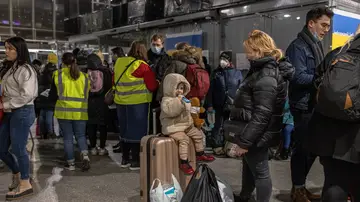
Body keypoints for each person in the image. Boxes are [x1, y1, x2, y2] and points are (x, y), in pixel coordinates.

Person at [231, 30, 294, 202]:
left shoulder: (266, 75)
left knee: (260, 172)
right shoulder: (260, 70)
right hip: (254, 130)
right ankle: (245, 196)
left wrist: (245, 141)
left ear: (258, 51)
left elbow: (262, 114)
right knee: (249, 166)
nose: (246, 54)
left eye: (249, 50)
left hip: (258, 132)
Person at [286, 7, 333, 201]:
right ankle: (297, 189)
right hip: (303, 106)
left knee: (311, 149)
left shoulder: (315, 44)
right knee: (302, 150)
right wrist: (321, 78)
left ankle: (301, 186)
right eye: (323, 25)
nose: (326, 30)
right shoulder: (298, 46)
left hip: (313, 105)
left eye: (329, 26)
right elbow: (297, 76)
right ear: (311, 23)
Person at [307, 29, 360, 202]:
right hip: (356, 139)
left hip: (327, 135)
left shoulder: (337, 54)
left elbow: (316, 87)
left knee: (333, 184)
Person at [0, 36, 38, 200]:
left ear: (19, 50)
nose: (6, 51)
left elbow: (27, 95)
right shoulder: (12, 68)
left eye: (10, 48)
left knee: (18, 148)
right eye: (6, 48)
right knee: (1, 148)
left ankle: (25, 182)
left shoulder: (26, 70)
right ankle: (18, 173)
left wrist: (4, 105)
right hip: (11, 112)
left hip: (22, 111)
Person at [114, 41, 158, 170]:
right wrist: (158, 83)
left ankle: (125, 158)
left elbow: (114, 80)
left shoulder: (119, 63)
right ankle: (135, 161)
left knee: (124, 130)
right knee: (137, 132)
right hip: (138, 103)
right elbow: (151, 86)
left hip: (121, 102)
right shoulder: (142, 66)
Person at [160, 73, 215, 175]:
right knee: (184, 139)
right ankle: (184, 162)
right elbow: (172, 112)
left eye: (182, 88)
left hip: (186, 125)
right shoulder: (166, 100)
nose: (180, 91)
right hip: (173, 127)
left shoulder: (184, 99)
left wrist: (197, 110)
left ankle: (200, 153)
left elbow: (189, 110)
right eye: (177, 88)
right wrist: (179, 101)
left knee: (198, 134)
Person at [48, 52, 91, 171]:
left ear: (62, 62)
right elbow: (88, 94)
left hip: (64, 111)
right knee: (81, 136)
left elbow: (52, 95)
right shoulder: (84, 76)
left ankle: (71, 163)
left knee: (68, 138)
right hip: (80, 111)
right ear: (75, 61)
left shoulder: (58, 75)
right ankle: (85, 156)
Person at [206, 51, 242, 156]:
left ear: (230, 61)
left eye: (225, 59)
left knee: (230, 126)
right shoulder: (216, 73)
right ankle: (217, 146)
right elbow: (210, 90)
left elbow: (241, 89)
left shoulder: (237, 73)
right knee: (217, 126)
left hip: (232, 104)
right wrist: (209, 104)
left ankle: (229, 147)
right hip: (218, 104)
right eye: (221, 59)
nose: (222, 61)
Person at [86, 53, 112, 156]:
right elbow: (110, 86)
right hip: (103, 102)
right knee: (102, 125)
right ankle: (102, 148)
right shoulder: (106, 71)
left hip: (90, 102)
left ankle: (92, 148)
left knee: (91, 125)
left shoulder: (85, 72)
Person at [147, 34, 172, 134]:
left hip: (161, 92)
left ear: (162, 44)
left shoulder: (167, 59)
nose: (155, 47)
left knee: (159, 116)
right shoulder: (146, 57)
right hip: (147, 91)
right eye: (153, 44)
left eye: (157, 44)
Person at [36, 53, 58, 139]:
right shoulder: (55, 72)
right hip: (50, 95)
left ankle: (43, 132)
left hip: (41, 95)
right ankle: (50, 133)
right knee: (49, 115)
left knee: (42, 114)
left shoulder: (42, 71)